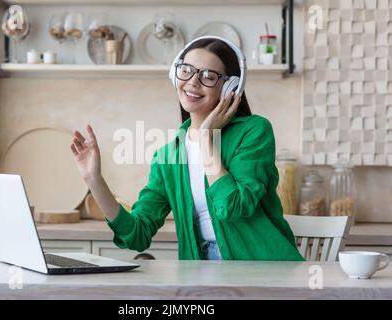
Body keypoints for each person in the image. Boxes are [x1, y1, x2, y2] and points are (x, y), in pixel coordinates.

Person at [70, 36, 304, 261]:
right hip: (201, 275)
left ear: (229, 87)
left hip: (264, 271)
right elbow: (136, 235)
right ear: (175, 75)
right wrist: (94, 179)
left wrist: (205, 139)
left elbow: (233, 207)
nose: (193, 81)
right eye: (186, 70)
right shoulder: (167, 157)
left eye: (208, 76)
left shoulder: (253, 131)